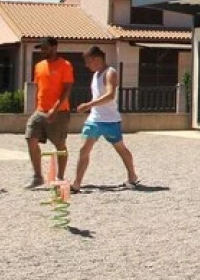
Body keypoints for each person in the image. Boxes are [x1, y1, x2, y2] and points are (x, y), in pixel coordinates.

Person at [71, 46, 141, 190]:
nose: (87, 65)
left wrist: (88, 105)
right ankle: (77, 183)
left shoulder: (110, 73)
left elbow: (110, 95)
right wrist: (91, 107)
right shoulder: (95, 75)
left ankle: (132, 176)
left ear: (97, 59)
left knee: (121, 149)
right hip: (95, 119)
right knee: (84, 149)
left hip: (111, 120)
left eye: (89, 62)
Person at [24, 37, 74, 189]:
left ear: (54, 47)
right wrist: (37, 108)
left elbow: (67, 89)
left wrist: (55, 109)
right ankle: (38, 176)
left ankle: (60, 176)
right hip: (40, 111)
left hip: (59, 112)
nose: (43, 51)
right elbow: (40, 89)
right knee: (30, 138)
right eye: (41, 48)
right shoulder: (39, 66)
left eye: (45, 48)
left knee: (60, 145)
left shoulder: (65, 65)